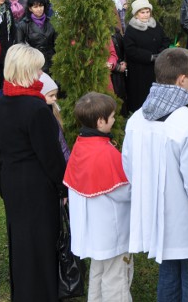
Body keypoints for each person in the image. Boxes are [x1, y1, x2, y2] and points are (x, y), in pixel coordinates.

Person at [123, 48, 188, 301]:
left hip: (154, 215)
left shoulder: (136, 119)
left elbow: (129, 168)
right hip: (187, 218)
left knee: (169, 274)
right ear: (182, 79)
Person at [0, 44, 67, 302]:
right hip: (37, 186)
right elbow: (51, 157)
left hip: (14, 182)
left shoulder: (4, 102)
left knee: (21, 242)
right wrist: (64, 187)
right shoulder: (36, 109)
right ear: (27, 71)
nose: (41, 75)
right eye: (38, 70)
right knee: (41, 242)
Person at [64, 92, 133, 302]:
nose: (114, 120)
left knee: (98, 272)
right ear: (101, 121)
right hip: (111, 231)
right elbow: (123, 192)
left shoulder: (80, 144)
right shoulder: (105, 152)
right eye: (112, 116)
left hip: (92, 231)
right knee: (117, 277)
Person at [124, 0, 171, 115]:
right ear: (136, 14)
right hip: (140, 70)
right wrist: (150, 57)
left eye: (147, 11)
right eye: (142, 12)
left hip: (157, 67)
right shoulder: (131, 29)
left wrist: (161, 53)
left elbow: (165, 40)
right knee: (142, 95)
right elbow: (130, 49)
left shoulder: (155, 25)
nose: (146, 15)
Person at [16, 0, 56, 73]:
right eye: (35, 7)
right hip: (34, 63)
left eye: (41, 6)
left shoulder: (52, 22)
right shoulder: (23, 25)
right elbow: (20, 45)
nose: (39, 9)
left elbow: (57, 42)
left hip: (51, 61)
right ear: (30, 9)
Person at [40, 72, 70, 161]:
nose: (55, 98)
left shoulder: (55, 110)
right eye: (51, 95)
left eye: (55, 95)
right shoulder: (44, 118)